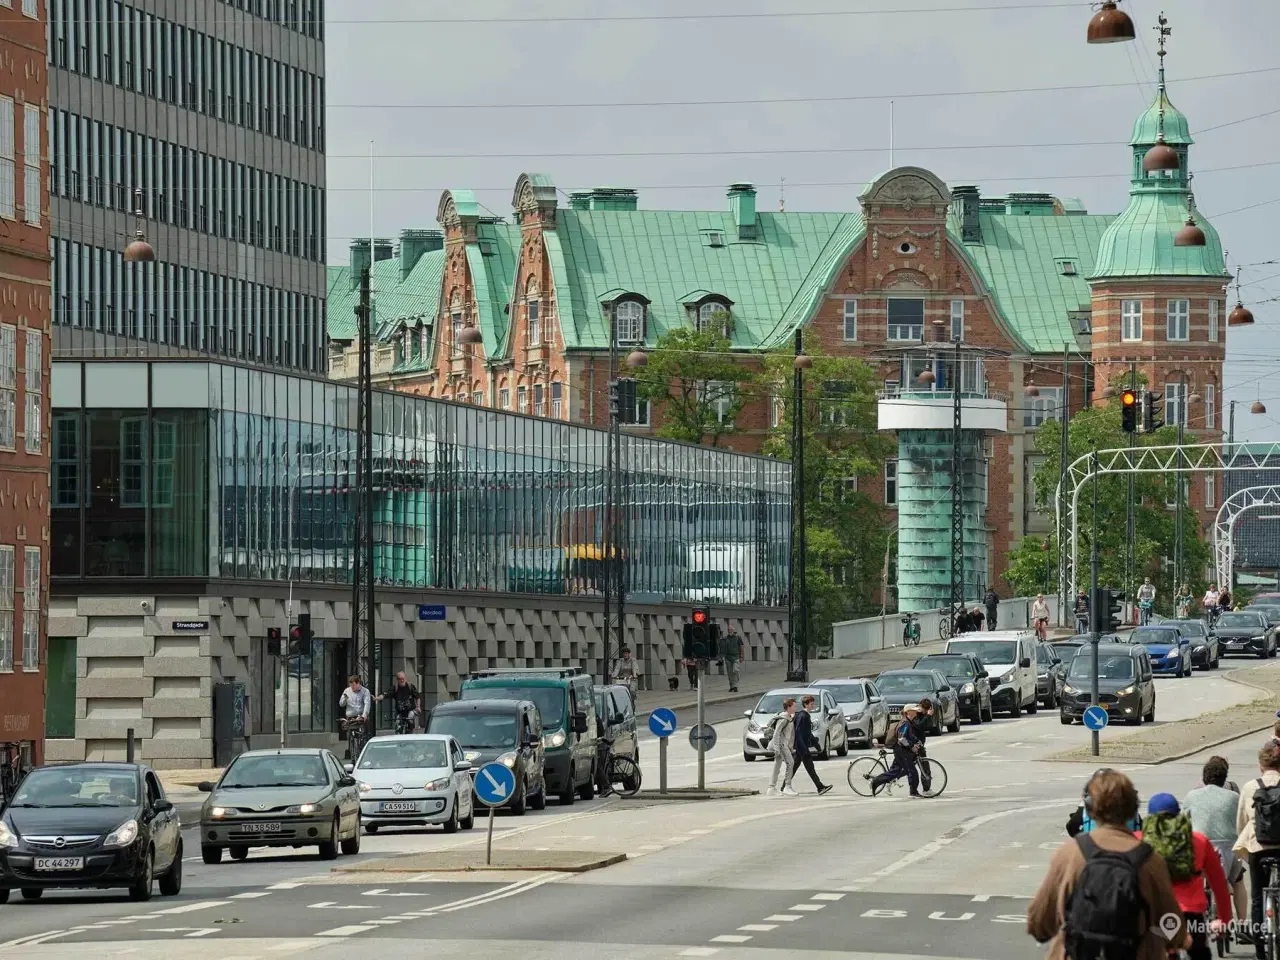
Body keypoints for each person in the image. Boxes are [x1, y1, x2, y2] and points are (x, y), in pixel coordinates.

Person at [1028, 768, 1187, 960]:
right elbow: (1172, 923)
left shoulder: (1070, 853)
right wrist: (1177, 940)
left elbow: (1038, 919)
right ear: (1133, 808)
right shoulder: (1150, 859)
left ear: (1089, 808)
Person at [1137, 792, 1231, 960]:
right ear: (1178, 815)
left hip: (1153, 914)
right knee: (1199, 953)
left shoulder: (1137, 841)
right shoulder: (1199, 841)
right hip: (1191, 915)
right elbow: (1219, 884)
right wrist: (1223, 919)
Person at [1184, 756, 1250, 944]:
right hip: (1229, 849)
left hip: (1201, 848)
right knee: (1238, 880)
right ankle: (1243, 925)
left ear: (1204, 778)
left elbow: (1183, 823)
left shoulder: (1191, 796)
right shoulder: (1234, 797)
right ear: (1225, 779)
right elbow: (1243, 824)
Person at [1234, 741, 1280, 959]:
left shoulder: (1250, 787)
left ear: (1261, 766)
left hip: (1257, 847)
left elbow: (1241, 823)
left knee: (1257, 896)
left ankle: (1260, 949)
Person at [871, 700, 934, 798]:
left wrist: (917, 741)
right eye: (914, 710)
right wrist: (911, 746)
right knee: (912, 771)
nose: (916, 711)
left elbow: (910, 735)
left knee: (895, 771)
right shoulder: (905, 723)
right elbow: (902, 738)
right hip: (901, 750)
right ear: (908, 712)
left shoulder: (908, 722)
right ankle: (913, 792)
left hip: (902, 750)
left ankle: (876, 781)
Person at [789, 696, 833, 796]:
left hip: (802, 747)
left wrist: (816, 744)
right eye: (811, 704)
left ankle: (784, 787)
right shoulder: (803, 716)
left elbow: (808, 733)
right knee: (809, 768)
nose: (813, 706)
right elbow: (799, 732)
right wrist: (803, 747)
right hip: (802, 747)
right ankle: (820, 787)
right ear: (806, 704)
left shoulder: (804, 715)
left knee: (795, 768)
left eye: (813, 704)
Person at [766, 698, 797, 797]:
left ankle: (772, 788)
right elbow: (776, 734)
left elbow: (790, 735)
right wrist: (776, 748)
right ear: (788, 707)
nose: (795, 708)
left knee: (777, 765)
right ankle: (787, 786)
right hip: (781, 745)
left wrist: (790, 747)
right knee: (790, 763)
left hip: (783, 745)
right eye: (794, 706)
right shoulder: (784, 719)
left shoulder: (789, 717)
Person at [721, 627, 744, 693]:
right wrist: (722, 656)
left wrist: (742, 656)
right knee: (730, 673)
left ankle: (735, 685)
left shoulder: (738, 637)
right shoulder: (725, 638)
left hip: (736, 657)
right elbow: (723, 647)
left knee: (735, 671)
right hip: (728, 657)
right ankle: (731, 686)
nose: (729, 631)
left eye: (731, 630)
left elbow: (741, 646)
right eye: (728, 630)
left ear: (733, 630)